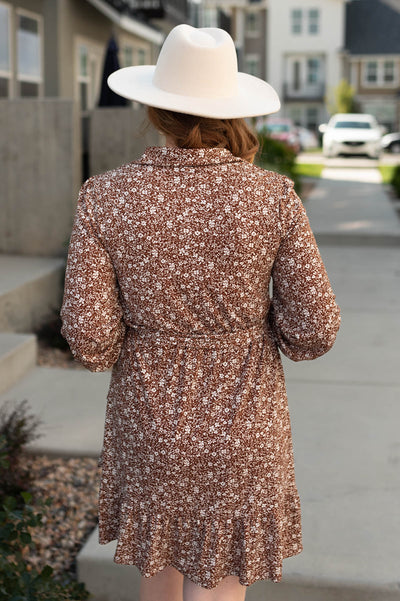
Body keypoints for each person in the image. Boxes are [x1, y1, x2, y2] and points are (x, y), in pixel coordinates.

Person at [60, 24, 341, 601]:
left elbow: (89, 336)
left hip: (148, 414)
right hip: (244, 416)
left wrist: (137, 340)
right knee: (217, 586)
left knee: (157, 569)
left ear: (156, 108)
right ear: (233, 109)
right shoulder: (271, 196)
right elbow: (314, 329)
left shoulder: (105, 196)